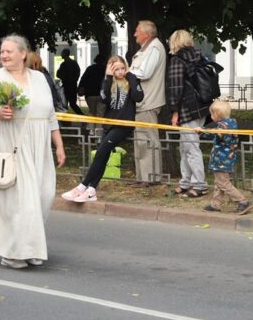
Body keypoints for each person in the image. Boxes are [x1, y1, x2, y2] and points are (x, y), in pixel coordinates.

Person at [0, 35, 66, 269]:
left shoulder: (39, 78)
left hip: (39, 146)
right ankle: (13, 252)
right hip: (9, 144)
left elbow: (50, 115)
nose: (3, 55)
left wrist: (59, 145)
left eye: (9, 51)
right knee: (21, 202)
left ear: (23, 54)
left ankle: (30, 246)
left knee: (43, 195)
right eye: (2, 51)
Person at [62, 56, 142, 203]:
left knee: (100, 153)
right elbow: (103, 99)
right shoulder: (109, 82)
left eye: (122, 68)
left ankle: (82, 186)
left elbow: (138, 97)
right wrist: (108, 78)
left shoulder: (131, 80)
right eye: (116, 69)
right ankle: (92, 190)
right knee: (103, 156)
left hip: (123, 126)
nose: (120, 71)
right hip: (108, 125)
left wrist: (130, 75)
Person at [166, 30, 210, 198]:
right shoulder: (198, 57)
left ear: (174, 42)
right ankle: (185, 182)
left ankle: (199, 184)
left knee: (190, 148)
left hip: (186, 109)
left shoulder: (177, 60)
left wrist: (174, 112)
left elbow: (175, 89)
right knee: (186, 146)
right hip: (201, 107)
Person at [128, 20, 167, 186]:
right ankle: (143, 177)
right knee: (141, 140)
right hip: (143, 102)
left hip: (148, 102)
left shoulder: (154, 48)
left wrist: (126, 72)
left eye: (137, 31)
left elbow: (145, 73)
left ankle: (151, 177)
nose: (134, 34)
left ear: (147, 34)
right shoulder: (147, 48)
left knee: (147, 140)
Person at [197, 100, 252, 215]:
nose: (211, 116)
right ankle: (215, 204)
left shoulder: (223, 127)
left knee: (223, 183)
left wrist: (202, 131)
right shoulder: (230, 124)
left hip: (222, 160)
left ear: (216, 114)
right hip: (224, 159)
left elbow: (215, 133)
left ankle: (242, 201)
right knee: (219, 183)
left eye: (211, 114)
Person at [78, 53, 107, 119]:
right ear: (104, 61)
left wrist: (80, 89)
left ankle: (90, 125)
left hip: (90, 94)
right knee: (100, 113)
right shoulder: (106, 70)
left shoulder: (90, 69)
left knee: (91, 112)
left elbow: (83, 80)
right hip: (102, 95)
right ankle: (98, 125)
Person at [56, 48, 83, 114]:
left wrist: (64, 77)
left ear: (65, 54)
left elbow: (58, 74)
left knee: (65, 104)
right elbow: (78, 72)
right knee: (72, 104)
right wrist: (74, 80)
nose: (61, 54)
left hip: (66, 86)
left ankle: (79, 115)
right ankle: (81, 115)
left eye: (62, 53)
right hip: (73, 86)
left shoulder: (63, 64)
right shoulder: (74, 63)